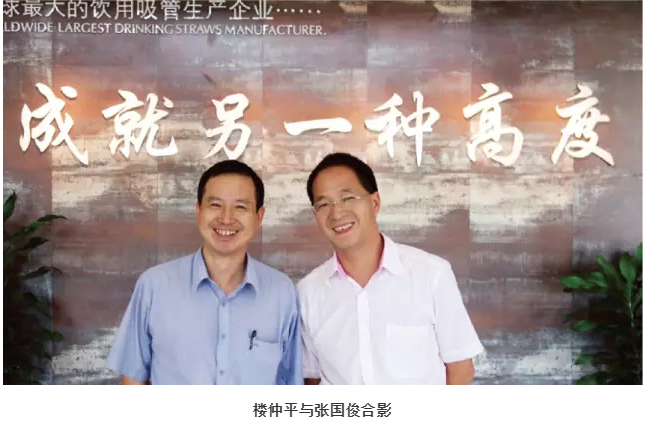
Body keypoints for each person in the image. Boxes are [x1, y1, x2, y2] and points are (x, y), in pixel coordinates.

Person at [105, 160, 302, 385]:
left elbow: (292, 384)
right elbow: (133, 379)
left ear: (259, 216)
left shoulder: (281, 292)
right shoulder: (155, 285)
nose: (226, 218)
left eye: (240, 207)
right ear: (198, 210)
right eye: (215, 205)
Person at [297, 152, 484, 385]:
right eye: (324, 204)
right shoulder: (308, 292)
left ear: (375, 202)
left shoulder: (431, 274)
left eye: (347, 198)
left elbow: (460, 369)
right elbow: (312, 379)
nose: (336, 213)